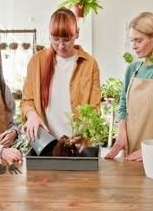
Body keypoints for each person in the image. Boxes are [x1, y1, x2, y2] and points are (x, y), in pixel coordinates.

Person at [20, 8, 101, 145]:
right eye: (55, 39)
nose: (61, 46)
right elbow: (27, 101)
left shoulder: (89, 64)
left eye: (67, 40)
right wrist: (31, 114)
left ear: (77, 33)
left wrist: (85, 131)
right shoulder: (36, 62)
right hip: (45, 143)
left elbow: (95, 107)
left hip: (77, 145)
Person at [105, 12, 153, 162]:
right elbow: (123, 106)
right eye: (131, 41)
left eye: (138, 40)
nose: (133, 47)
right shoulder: (133, 69)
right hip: (131, 151)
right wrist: (122, 133)